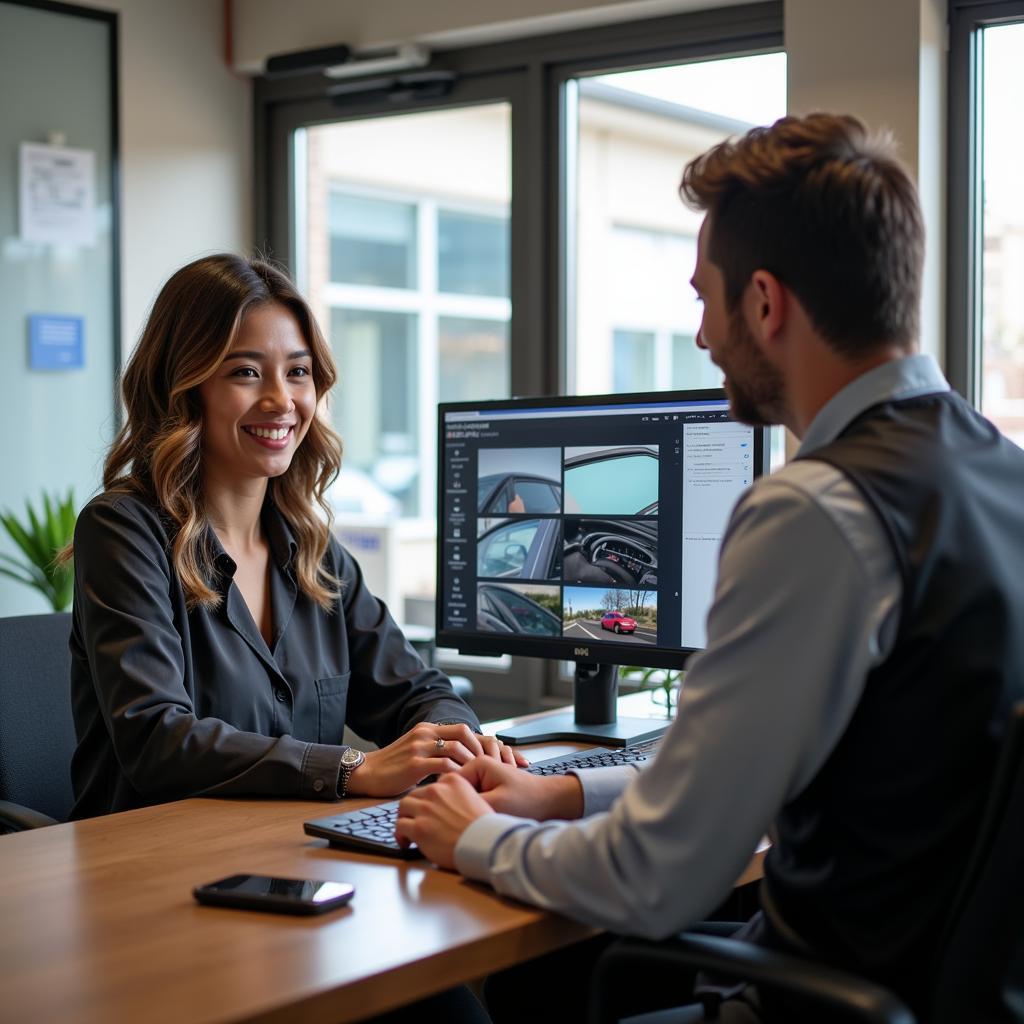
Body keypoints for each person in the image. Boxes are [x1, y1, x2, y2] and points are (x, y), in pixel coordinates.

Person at [394, 112, 1024, 1022]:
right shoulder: (997, 475)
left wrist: (481, 837)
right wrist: (561, 793)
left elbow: (652, 880)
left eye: (705, 298)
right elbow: (773, 770)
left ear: (765, 304)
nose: (701, 336)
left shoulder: (817, 511)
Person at [69, 253, 526, 824]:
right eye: (245, 372)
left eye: (298, 372)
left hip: (291, 856)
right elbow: (156, 739)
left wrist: (460, 747)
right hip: (151, 865)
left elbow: (417, 691)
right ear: (185, 389)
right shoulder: (122, 531)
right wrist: (351, 769)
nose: (281, 400)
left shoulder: (312, 550)